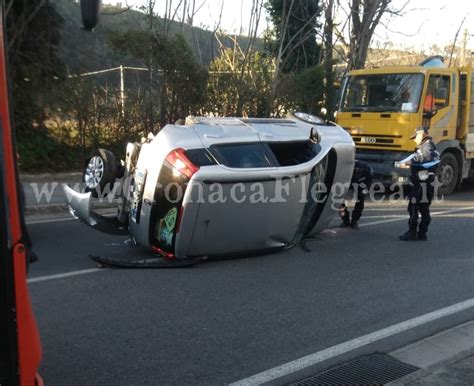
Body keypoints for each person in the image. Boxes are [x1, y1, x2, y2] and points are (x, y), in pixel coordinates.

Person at [398, 127, 440, 241]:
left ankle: (413, 232)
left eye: (415, 137)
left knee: (413, 206)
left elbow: (426, 158)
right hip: (425, 182)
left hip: (422, 182)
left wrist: (410, 161)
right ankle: (422, 233)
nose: (414, 140)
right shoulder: (426, 145)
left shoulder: (428, 145)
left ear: (422, 134)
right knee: (423, 207)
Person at [339, 160, 373, 229]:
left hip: (361, 183)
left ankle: (355, 220)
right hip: (347, 182)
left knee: (360, 200)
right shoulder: (345, 171)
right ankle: (345, 219)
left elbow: (369, 182)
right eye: (354, 174)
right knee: (339, 200)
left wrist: (365, 190)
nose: (356, 175)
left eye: (357, 174)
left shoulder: (367, 170)